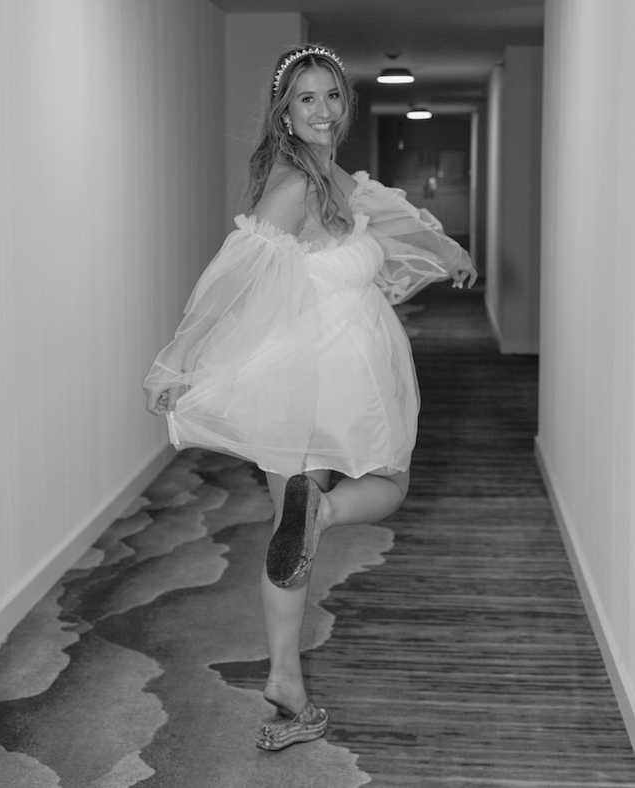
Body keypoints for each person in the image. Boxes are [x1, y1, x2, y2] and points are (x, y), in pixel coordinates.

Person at [143, 44, 477, 751]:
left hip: (336, 363)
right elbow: (230, 279)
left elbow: (392, 218)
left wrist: (449, 253)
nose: (322, 110)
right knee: (387, 483)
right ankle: (319, 522)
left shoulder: (338, 181)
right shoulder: (295, 187)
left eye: (331, 96)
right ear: (285, 114)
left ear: (343, 105)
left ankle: (289, 675)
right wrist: (176, 360)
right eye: (306, 100)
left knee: (289, 525)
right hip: (316, 368)